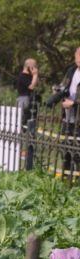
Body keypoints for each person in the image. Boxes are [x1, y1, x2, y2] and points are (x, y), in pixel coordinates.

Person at [59, 47, 80, 176]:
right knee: (65, 147)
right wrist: (58, 91)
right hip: (67, 116)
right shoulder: (72, 70)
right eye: (77, 55)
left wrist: (74, 103)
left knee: (77, 149)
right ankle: (66, 176)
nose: (78, 58)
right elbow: (64, 86)